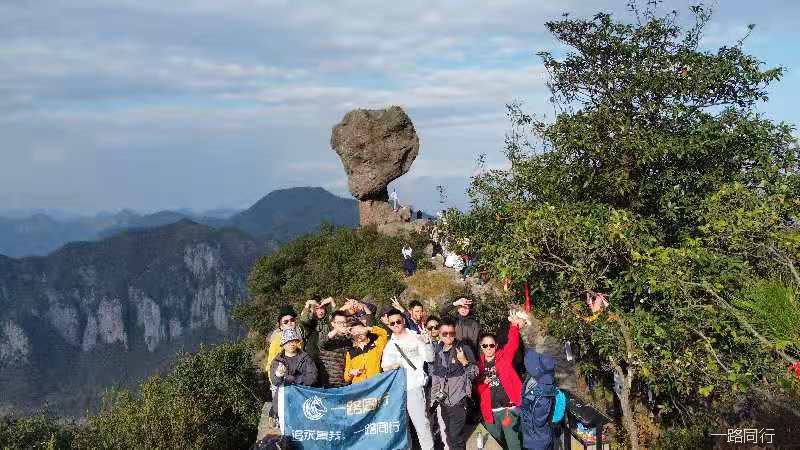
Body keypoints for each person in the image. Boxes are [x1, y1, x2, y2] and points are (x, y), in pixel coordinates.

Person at [381, 309, 435, 450]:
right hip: (397, 390)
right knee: (403, 427)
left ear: (404, 321)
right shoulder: (390, 345)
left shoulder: (415, 337)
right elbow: (384, 367)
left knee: (421, 423)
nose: (396, 325)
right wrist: (392, 366)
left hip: (414, 387)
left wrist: (427, 343)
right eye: (392, 323)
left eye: (398, 321)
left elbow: (430, 358)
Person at [476, 316, 527, 450]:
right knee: (495, 443)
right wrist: (484, 383)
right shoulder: (478, 366)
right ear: (481, 347)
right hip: (490, 411)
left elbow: (513, 343)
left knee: (513, 443)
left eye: (491, 345)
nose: (488, 348)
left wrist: (514, 326)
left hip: (507, 409)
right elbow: (478, 391)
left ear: (496, 346)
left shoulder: (504, 357)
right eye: (485, 345)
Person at [429, 318, 478, 450]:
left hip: (459, 402)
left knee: (456, 436)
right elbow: (436, 376)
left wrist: (464, 361)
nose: (449, 336)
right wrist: (434, 399)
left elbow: (474, 374)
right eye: (445, 334)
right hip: (444, 402)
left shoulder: (463, 348)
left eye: (452, 333)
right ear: (439, 334)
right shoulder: (438, 350)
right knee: (449, 435)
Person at [269, 328, 318, 420]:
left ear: (297, 342)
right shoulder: (277, 361)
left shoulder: (306, 358)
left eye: (293, 341)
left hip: (302, 398)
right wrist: (278, 375)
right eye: (288, 342)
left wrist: (293, 379)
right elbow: (275, 381)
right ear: (283, 344)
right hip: (284, 400)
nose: (291, 344)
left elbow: (312, 378)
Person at [520, 347, 557, 450]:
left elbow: (538, 419)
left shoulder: (542, 392)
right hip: (535, 436)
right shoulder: (539, 379)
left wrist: (522, 412)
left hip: (537, 440)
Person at [344, 320, 389, 384]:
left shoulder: (376, 345)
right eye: (355, 332)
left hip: (375, 384)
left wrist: (367, 328)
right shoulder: (350, 352)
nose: (358, 334)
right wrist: (351, 373)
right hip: (359, 387)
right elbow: (346, 378)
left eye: (360, 331)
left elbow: (384, 333)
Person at [265, 305, 304, 378]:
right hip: (283, 379)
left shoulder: (299, 338)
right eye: (286, 322)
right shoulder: (277, 341)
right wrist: (275, 381)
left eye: (292, 320)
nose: (290, 323)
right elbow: (270, 365)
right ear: (281, 326)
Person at [317, 310, 352, 387]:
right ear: (333, 324)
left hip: (345, 382)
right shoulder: (326, 336)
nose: (343, 325)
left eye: (344, 322)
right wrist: (337, 330)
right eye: (339, 322)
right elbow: (321, 343)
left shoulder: (349, 339)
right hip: (328, 382)